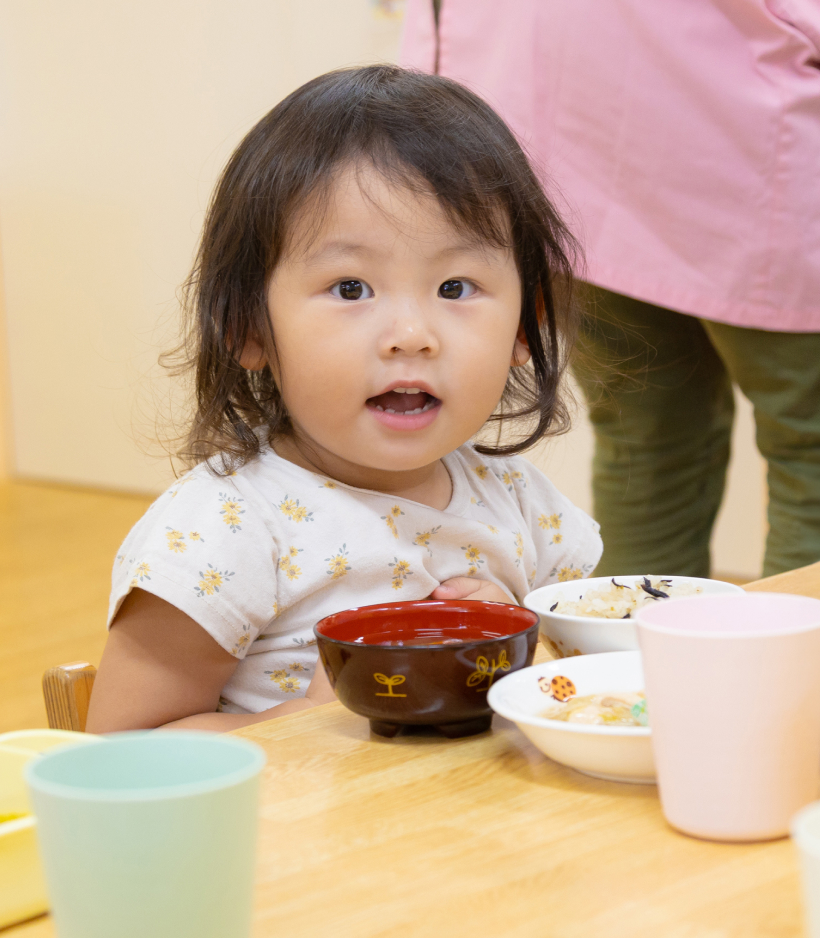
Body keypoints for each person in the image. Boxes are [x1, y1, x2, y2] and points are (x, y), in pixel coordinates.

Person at [85, 66, 602, 733]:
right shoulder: (227, 531)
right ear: (248, 327)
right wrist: (311, 722)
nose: (412, 337)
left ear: (523, 328)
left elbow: (589, 685)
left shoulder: (526, 511)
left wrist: (521, 649)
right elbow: (120, 748)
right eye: (352, 289)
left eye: (455, 288)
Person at [401, 0, 820, 578]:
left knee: (645, 447)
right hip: (753, 160)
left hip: (566, 167)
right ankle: (797, 667)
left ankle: (630, 664)